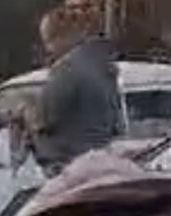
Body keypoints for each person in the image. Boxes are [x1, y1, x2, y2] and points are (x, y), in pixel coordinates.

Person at [31, 4, 123, 176]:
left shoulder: (65, 70)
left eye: (49, 42)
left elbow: (47, 118)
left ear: (61, 38)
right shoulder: (103, 67)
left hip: (70, 168)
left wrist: (27, 119)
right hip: (103, 162)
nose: (48, 50)